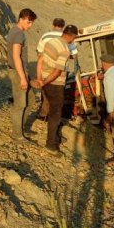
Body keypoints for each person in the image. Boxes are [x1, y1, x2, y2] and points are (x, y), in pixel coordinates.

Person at [35, 24, 79, 155]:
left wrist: (39, 78)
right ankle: (51, 144)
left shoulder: (51, 42)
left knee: (52, 110)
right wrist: (44, 82)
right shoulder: (65, 50)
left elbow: (40, 59)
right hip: (55, 84)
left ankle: (55, 137)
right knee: (56, 114)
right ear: (72, 36)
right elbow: (57, 72)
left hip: (44, 79)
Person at [6, 8, 37, 141]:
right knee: (20, 104)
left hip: (20, 72)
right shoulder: (18, 34)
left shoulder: (14, 31)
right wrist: (23, 78)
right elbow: (16, 56)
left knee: (31, 101)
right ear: (22, 19)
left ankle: (20, 129)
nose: (30, 25)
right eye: (29, 22)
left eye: (32, 23)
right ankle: (17, 134)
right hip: (18, 73)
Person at [35, 18, 67, 121]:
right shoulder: (66, 38)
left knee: (45, 90)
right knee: (58, 95)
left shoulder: (45, 36)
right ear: (63, 27)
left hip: (46, 67)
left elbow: (39, 52)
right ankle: (55, 117)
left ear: (53, 25)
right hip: (60, 70)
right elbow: (72, 54)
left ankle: (44, 114)